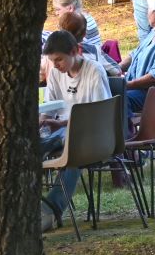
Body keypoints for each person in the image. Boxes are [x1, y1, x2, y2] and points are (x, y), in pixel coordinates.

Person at [38, 30, 112, 229]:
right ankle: (30, 203)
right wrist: (42, 119)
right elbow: (50, 107)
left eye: (59, 60)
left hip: (91, 135)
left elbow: (99, 115)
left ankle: (50, 208)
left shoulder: (94, 71)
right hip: (61, 132)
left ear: (74, 51)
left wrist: (61, 124)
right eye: (52, 61)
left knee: (72, 149)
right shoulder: (55, 73)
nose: (55, 65)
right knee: (30, 147)